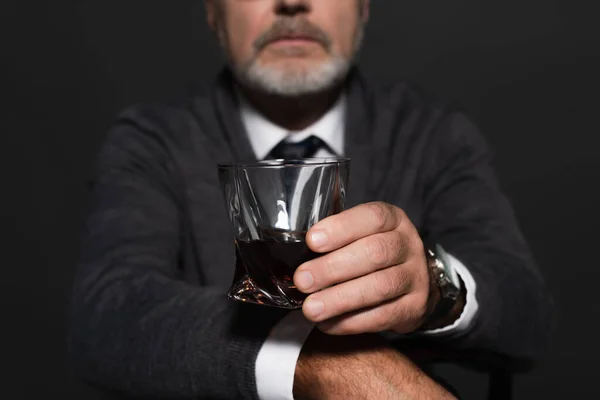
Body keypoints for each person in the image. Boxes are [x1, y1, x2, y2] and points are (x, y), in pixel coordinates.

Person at [69, 0, 554, 398]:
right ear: (213, 13)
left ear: (363, 8)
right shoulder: (153, 139)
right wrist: (312, 360)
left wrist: (433, 288)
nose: (292, 2)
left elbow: (525, 316)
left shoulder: (433, 131)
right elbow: (106, 314)